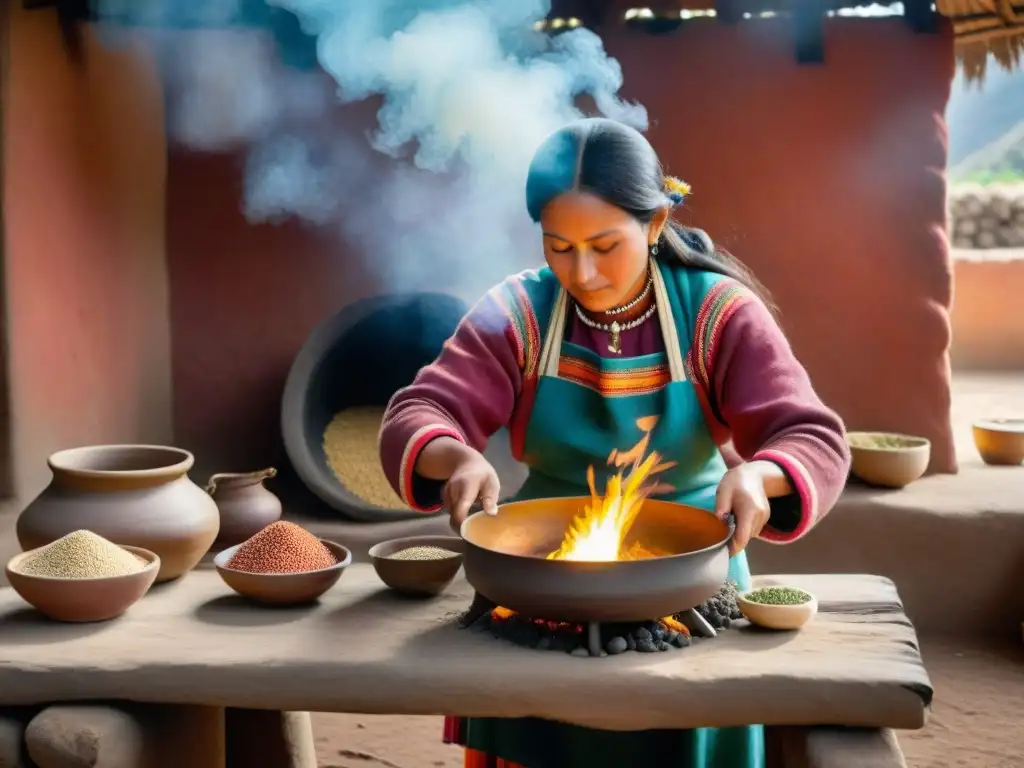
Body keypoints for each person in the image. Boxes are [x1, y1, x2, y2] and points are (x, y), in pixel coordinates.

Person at [378, 117, 851, 768]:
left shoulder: (716, 310)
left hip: (687, 573)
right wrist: (453, 455)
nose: (585, 272)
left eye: (606, 245)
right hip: (541, 577)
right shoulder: (517, 312)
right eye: (559, 246)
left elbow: (811, 434)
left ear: (655, 225)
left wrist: (759, 475)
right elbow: (420, 409)